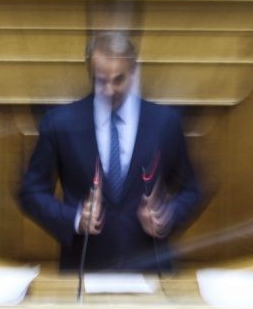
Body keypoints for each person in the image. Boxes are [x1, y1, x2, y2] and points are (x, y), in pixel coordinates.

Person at [19, 32, 201, 272]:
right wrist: (75, 218)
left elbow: (192, 190)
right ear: (89, 73)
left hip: (150, 270)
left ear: (133, 71)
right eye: (100, 81)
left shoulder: (164, 122)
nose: (109, 90)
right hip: (84, 269)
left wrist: (167, 215)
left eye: (118, 80)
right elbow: (31, 192)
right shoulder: (59, 123)